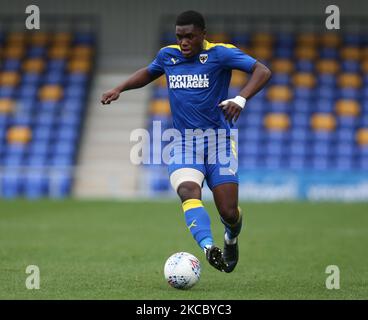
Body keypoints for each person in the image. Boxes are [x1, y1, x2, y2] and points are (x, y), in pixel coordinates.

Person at [101, 10, 271, 273]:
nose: (184, 43)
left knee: (228, 212)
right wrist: (119, 88)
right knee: (188, 191)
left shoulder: (221, 53)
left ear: (203, 34)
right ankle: (207, 247)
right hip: (182, 143)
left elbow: (262, 70)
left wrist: (241, 98)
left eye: (190, 37)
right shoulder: (168, 55)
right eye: (180, 37)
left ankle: (231, 238)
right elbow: (148, 73)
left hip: (219, 143)